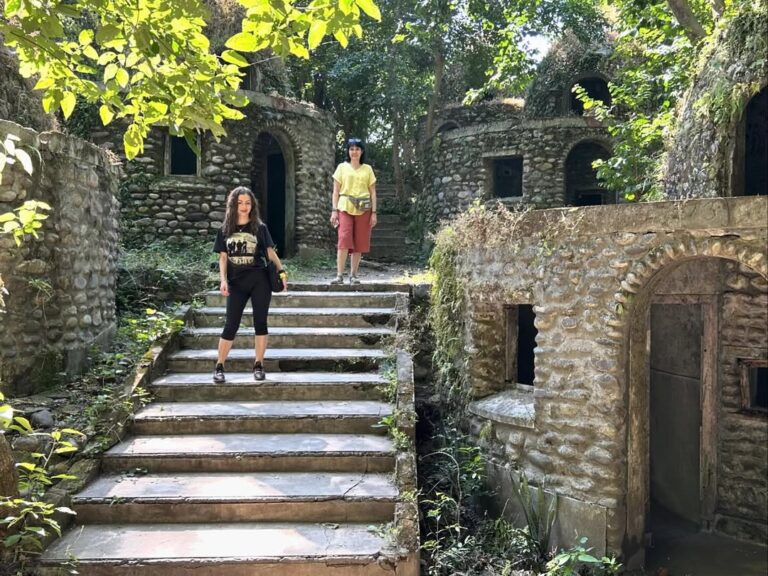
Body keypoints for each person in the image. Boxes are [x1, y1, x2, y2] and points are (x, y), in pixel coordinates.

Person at [213, 186, 287, 383]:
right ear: (233, 204)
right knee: (231, 325)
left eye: (247, 203)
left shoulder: (259, 228)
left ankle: (258, 364)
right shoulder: (225, 229)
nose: (244, 207)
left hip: (259, 281)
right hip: (236, 283)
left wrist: (281, 271)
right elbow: (223, 258)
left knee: (260, 323)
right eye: (240, 203)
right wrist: (222, 280)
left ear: (252, 205)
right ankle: (219, 366)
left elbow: (270, 252)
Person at [330, 137, 377, 284]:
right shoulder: (342, 167)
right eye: (351, 149)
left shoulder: (367, 169)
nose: (354, 152)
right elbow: (335, 191)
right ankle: (339, 275)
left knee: (359, 242)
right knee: (343, 239)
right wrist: (334, 210)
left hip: (364, 208)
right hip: (344, 206)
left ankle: (354, 275)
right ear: (348, 151)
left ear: (362, 151)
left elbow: (373, 192)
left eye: (357, 149)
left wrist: (374, 213)